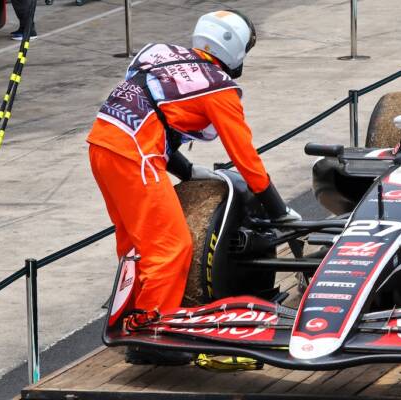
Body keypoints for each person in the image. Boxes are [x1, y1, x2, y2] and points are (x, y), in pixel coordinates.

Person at [87, 10, 299, 364]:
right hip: (135, 156)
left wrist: (186, 170)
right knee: (171, 247)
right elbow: (245, 158)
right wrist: (279, 211)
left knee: (134, 243)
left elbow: (151, 107)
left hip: (101, 144)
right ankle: (152, 338)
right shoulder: (218, 86)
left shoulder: (159, 54)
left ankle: (130, 315)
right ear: (233, 48)